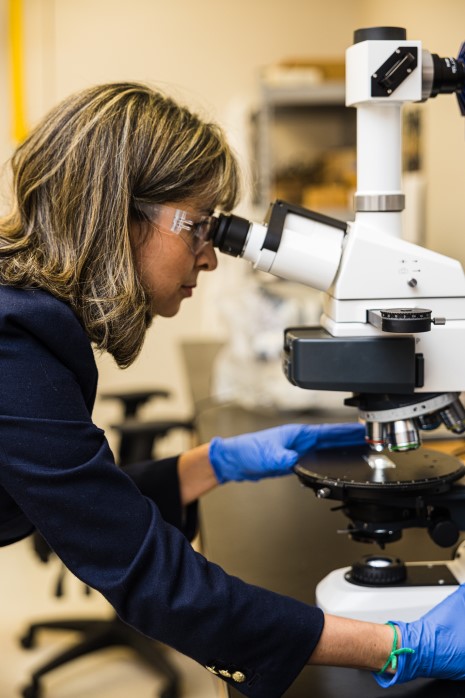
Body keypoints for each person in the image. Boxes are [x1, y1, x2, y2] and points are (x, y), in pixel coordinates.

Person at [0, 82, 464, 698]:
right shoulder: (15, 351)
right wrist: (396, 646)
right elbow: (148, 575)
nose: (210, 258)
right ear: (118, 214)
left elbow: (75, 506)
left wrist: (213, 462)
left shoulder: (26, 322)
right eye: (198, 227)